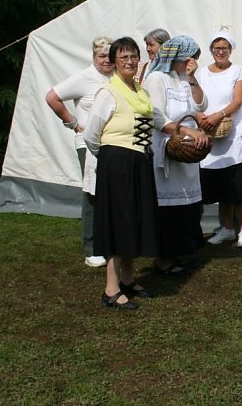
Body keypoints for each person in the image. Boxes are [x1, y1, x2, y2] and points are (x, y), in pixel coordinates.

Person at [83, 37, 158, 309]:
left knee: (135, 219)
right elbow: (92, 135)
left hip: (139, 161)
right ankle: (110, 289)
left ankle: (127, 279)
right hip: (116, 162)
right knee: (118, 222)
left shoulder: (141, 92)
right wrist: (112, 158)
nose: (130, 62)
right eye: (123, 57)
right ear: (114, 62)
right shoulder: (108, 92)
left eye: (133, 57)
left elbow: (152, 123)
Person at [45, 35, 114, 268]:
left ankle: (109, 241)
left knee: (110, 192)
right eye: (101, 56)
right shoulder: (85, 78)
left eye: (109, 55)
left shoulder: (117, 78)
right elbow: (52, 97)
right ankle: (92, 247)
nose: (106, 60)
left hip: (113, 143)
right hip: (88, 144)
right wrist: (73, 123)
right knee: (92, 192)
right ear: (94, 56)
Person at [144, 35, 210, 275]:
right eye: (189, 59)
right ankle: (163, 258)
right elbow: (156, 116)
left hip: (186, 154)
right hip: (167, 150)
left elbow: (201, 106)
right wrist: (186, 130)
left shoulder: (185, 79)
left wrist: (192, 78)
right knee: (168, 208)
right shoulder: (156, 78)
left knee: (187, 205)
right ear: (176, 57)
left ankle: (180, 252)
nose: (191, 62)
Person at [198, 31, 242, 248]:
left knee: (238, 184)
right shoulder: (202, 74)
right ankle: (226, 228)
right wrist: (202, 118)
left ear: (230, 50)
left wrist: (218, 115)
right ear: (211, 51)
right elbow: (195, 100)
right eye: (216, 48)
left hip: (234, 135)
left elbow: (238, 100)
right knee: (220, 183)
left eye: (224, 47)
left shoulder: (238, 71)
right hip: (211, 134)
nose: (220, 51)